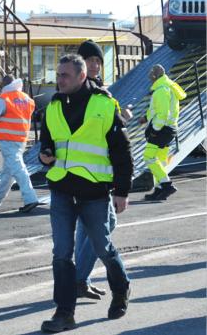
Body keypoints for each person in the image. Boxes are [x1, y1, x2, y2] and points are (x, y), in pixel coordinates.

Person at [39, 54, 132, 332]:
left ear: (81, 76)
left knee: (102, 246)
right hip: (62, 190)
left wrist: (122, 190)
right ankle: (64, 313)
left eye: (65, 75)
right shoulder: (53, 106)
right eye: (58, 75)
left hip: (94, 191)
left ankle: (121, 288)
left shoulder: (104, 105)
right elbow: (47, 143)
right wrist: (45, 155)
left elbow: (122, 152)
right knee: (62, 254)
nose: (60, 80)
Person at [74, 40, 119, 300]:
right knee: (105, 223)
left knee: (86, 229)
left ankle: (82, 279)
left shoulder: (99, 89)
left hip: (97, 170)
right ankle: (79, 279)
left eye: (97, 60)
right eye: (89, 59)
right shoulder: (86, 91)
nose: (94, 64)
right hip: (87, 172)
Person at [0, 74, 40, 213]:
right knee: (8, 172)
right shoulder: (26, 98)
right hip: (22, 139)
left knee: (18, 169)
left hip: (8, 139)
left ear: (4, 84)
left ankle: (30, 198)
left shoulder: (4, 99)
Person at [139, 64, 186, 200]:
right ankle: (160, 190)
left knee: (148, 157)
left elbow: (163, 113)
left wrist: (154, 130)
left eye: (151, 78)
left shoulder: (161, 90)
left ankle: (166, 185)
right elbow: (158, 110)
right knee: (160, 160)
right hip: (169, 128)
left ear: (154, 77)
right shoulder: (169, 87)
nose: (150, 80)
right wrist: (146, 117)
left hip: (162, 129)